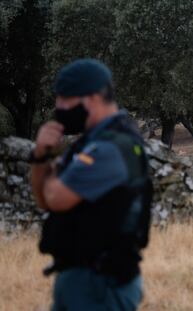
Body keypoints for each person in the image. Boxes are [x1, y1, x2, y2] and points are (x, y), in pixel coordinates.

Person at [30, 59, 152, 311]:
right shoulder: (89, 143)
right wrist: (42, 155)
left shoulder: (109, 148)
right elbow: (43, 200)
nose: (58, 106)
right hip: (81, 279)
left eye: (65, 98)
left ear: (94, 97)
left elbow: (54, 198)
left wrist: (49, 164)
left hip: (100, 285)